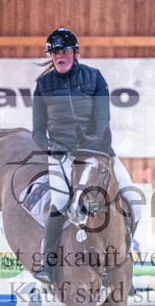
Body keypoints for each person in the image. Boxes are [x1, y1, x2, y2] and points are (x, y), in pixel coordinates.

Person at [31, 27, 139, 284]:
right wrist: (50, 147)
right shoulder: (43, 86)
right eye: (55, 53)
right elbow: (37, 131)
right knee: (60, 200)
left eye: (64, 51)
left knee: (133, 198)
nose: (59, 56)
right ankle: (48, 264)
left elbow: (103, 118)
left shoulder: (94, 78)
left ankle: (124, 259)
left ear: (75, 53)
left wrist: (96, 146)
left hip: (94, 151)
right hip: (62, 153)